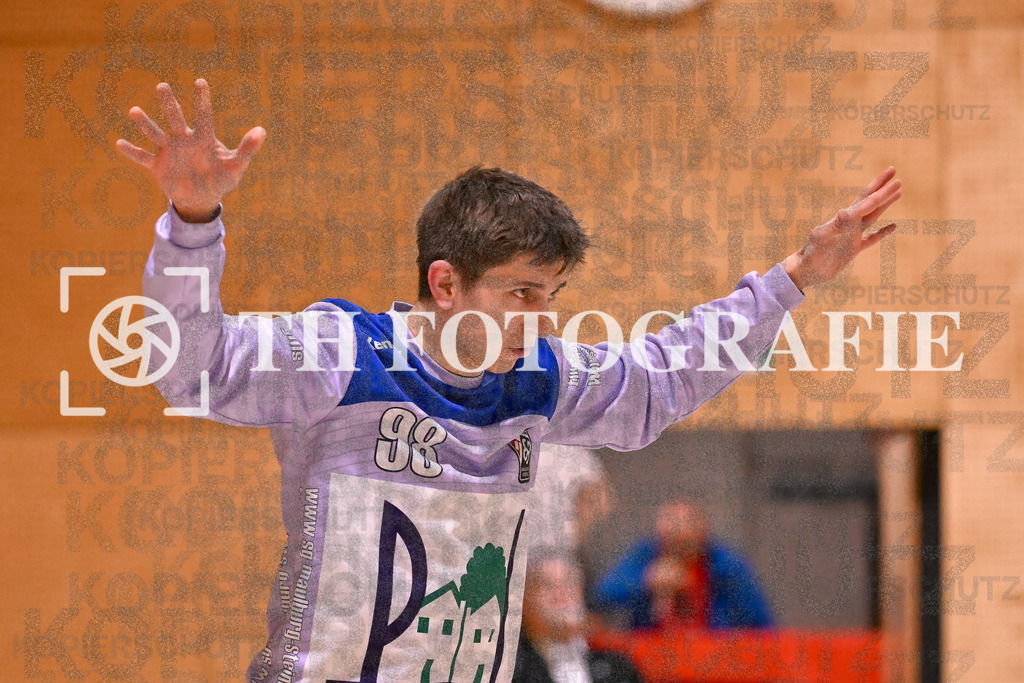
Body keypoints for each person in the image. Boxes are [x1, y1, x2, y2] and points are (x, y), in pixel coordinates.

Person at [117, 78, 901, 682]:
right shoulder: (342, 353)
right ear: (446, 283)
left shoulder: (537, 381)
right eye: (523, 293)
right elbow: (192, 370)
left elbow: (661, 378)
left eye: (551, 295)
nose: (543, 319)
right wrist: (191, 222)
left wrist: (793, 279)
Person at [594, 502, 773, 630]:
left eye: (686, 542)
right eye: (671, 540)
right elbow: (605, 593)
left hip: (711, 653)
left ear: (702, 535)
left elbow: (761, 622)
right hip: (654, 653)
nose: (679, 548)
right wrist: (648, 580)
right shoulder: (646, 555)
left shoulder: (727, 565)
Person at [514, 550, 643, 683]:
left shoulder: (618, 667)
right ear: (523, 601)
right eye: (548, 586)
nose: (561, 595)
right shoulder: (511, 670)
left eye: (569, 583)